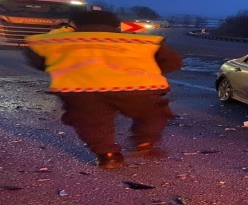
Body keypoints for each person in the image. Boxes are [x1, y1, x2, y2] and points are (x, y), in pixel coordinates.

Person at [23, 10, 183, 169]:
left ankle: (108, 156)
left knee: (92, 123)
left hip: (79, 89)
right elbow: (173, 62)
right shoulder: (143, 41)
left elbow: (39, 63)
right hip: (137, 87)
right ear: (116, 25)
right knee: (153, 113)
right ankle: (145, 142)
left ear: (75, 24)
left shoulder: (54, 41)